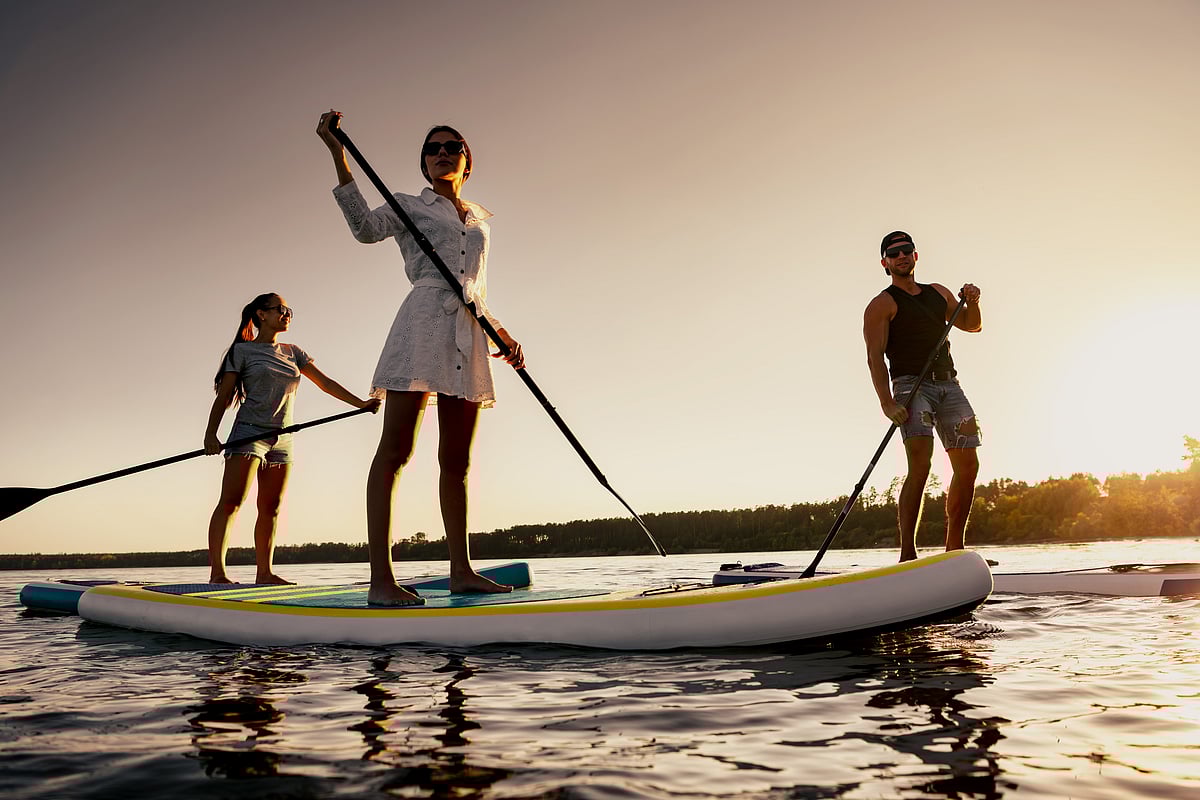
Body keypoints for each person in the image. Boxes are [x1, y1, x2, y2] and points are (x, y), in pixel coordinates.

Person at [316, 110, 525, 606]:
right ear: (425, 164)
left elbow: (474, 287)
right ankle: (381, 581)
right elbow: (364, 229)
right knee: (396, 452)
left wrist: (502, 332)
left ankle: (461, 571)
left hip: (467, 331)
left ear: (467, 161)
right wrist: (336, 152)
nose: (443, 154)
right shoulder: (408, 205)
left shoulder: (479, 221)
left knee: (457, 460)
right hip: (422, 324)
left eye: (453, 147)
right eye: (434, 149)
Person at [204, 293, 380, 584]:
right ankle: (218, 574)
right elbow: (224, 397)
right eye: (281, 310)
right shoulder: (242, 352)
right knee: (231, 502)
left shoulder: (294, 351)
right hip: (248, 433)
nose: (287, 314)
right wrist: (211, 434)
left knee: (271, 508)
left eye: (289, 311)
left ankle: (265, 573)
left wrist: (360, 404)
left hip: (283, 438)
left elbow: (325, 383)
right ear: (262, 314)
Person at [863, 231, 982, 561]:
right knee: (921, 465)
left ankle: (954, 549)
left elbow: (972, 325)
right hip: (910, 387)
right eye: (893, 253)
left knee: (968, 465)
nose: (901, 256)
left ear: (915, 256)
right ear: (885, 263)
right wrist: (887, 403)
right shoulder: (881, 304)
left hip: (949, 386)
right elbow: (874, 357)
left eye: (906, 250)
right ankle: (907, 555)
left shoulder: (938, 293)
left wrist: (972, 301)